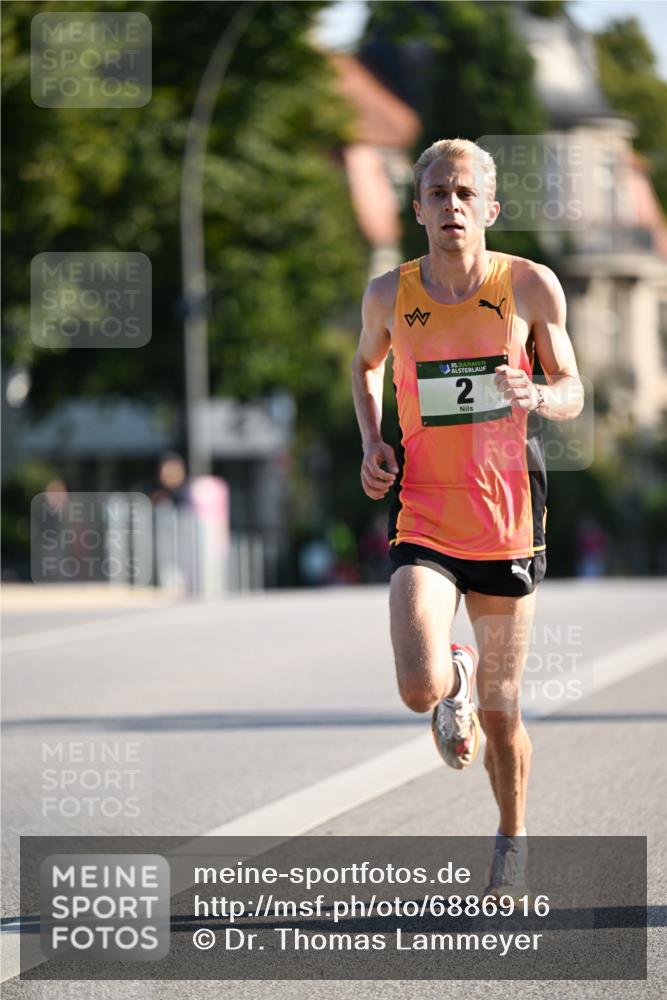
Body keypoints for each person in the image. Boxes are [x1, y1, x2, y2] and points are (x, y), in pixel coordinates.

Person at [351, 138, 583, 896]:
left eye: (463, 194)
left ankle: (511, 839)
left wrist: (540, 396)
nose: (451, 206)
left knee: (503, 708)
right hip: (423, 512)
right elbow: (364, 365)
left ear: (489, 208)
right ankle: (446, 679)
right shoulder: (390, 293)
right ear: (416, 209)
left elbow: (572, 384)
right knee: (419, 684)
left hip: (508, 515)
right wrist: (372, 441)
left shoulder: (528, 286)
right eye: (437, 194)